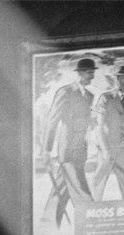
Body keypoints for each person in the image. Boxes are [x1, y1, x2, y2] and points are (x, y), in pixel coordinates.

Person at [41, 57, 97, 215]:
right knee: (83, 195)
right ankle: (92, 225)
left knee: (60, 190)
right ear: (80, 73)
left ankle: (48, 221)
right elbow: (52, 121)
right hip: (68, 152)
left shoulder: (90, 96)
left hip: (80, 151)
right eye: (89, 73)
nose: (92, 76)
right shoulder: (65, 92)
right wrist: (46, 150)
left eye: (93, 73)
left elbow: (86, 124)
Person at [92, 64, 124, 200]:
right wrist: (105, 149)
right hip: (107, 147)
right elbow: (97, 124)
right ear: (115, 79)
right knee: (98, 182)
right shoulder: (104, 97)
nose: (121, 81)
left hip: (123, 149)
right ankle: (91, 211)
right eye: (118, 78)